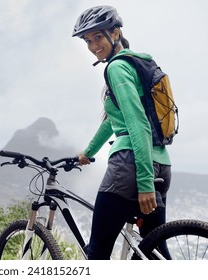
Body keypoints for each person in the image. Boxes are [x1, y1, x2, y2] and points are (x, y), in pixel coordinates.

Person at [72, 5, 172, 259]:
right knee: (154, 253)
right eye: (87, 40)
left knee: (97, 254)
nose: (93, 46)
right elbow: (113, 121)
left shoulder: (117, 68)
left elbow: (137, 123)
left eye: (97, 37)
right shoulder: (139, 63)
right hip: (161, 162)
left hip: (130, 168)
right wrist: (88, 152)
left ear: (115, 33)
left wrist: (144, 182)